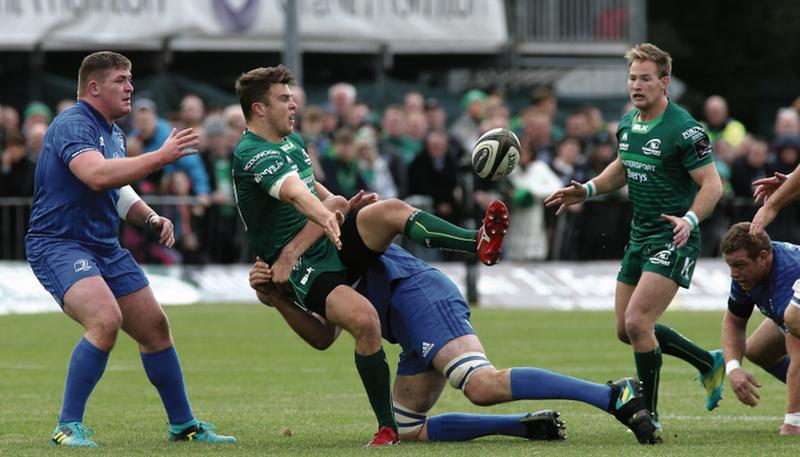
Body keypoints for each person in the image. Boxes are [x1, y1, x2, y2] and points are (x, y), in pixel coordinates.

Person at [231, 65, 509, 446]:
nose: (293, 105)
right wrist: (315, 228)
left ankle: (476, 241)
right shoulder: (252, 153)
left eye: (292, 97)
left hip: (319, 237)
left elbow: (325, 196)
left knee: (390, 210)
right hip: (298, 264)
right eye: (284, 99)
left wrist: (340, 209)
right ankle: (388, 429)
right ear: (258, 108)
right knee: (365, 320)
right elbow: (297, 194)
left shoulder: (291, 143)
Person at [248, 239, 658, 445]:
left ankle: (612, 396)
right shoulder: (296, 274)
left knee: (480, 385)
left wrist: (467, 238)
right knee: (407, 430)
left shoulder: (328, 225)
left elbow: (392, 216)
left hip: (418, 294)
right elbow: (324, 336)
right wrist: (276, 300)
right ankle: (525, 427)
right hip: (404, 328)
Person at [24, 51, 235, 447]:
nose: (130, 87)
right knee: (104, 321)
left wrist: (151, 218)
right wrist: (159, 157)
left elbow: (118, 190)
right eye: (121, 79)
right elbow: (96, 175)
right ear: (94, 87)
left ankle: (183, 425)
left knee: (155, 329)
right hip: (60, 244)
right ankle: (67, 427)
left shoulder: (114, 132)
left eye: (130, 79)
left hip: (104, 246)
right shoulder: (72, 123)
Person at [544, 43, 725, 432]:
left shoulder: (686, 129)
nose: (636, 85)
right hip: (639, 234)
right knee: (626, 330)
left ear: (665, 83)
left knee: (639, 323)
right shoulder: (627, 123)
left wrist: (690, 220)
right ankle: (708, 362)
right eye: (632, 78)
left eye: (645, 78)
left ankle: (650, 416)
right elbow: (622, 167)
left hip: (674, 236)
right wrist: (588, 190)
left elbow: (712, 185)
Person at [719, 222, 800, 435]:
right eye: (730, 266)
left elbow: (798, 354)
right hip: (791, 317)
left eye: (739, 265)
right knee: (757, 349)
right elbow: (734, 322)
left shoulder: (789, 276)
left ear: (763, 257)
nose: (734, 274)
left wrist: (792, 423)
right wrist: (733, 368)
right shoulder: (746, 273)